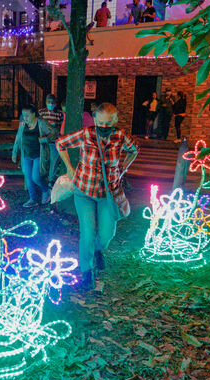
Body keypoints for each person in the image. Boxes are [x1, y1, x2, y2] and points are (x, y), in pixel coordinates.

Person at [56, 103, 138, 291]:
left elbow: (134, 149)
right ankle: (87, 271)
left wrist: (123, 167)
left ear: (115, 121)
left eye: (108, 123)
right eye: (100, 122)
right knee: (88, 232)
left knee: (108, 234)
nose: (104, 126)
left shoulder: (120, 136)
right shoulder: (86, 134)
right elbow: (60, 144)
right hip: (84, 191)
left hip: (108, 194)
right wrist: (69, 168)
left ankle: (99, 249)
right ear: (94, 120)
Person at [12, 104, 55, 207]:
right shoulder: (23, 124)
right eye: (23, 115)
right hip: (26, 155)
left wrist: (46, 138)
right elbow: (18, 138)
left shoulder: (41, 123)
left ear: (34, 114)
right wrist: (14, 152)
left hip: (38, 155)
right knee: (28, 177)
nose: (25, 117)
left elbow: (54, 132)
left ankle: (46, 190)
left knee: (36, 177)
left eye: (27, 115)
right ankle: (33, 199)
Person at [39, 94, 64, 191]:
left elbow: (60, 127)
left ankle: (51, 181)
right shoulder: (41, 112)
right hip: (44, 142)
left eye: (52, 102)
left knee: (54, 162)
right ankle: (43, 181)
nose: (50, 104)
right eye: (48, 102)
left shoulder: (59, 114)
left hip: (54, 142)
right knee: (44, 162)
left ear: (55, 103)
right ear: (45, 102)